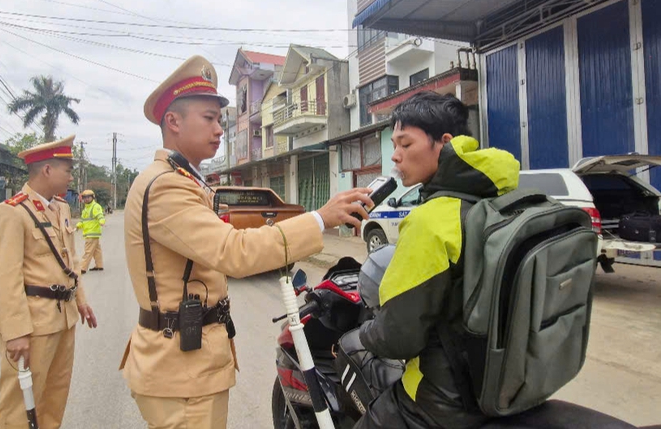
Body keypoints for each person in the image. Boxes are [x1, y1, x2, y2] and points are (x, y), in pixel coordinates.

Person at [121, 55, 375, 429]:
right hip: (179, 371)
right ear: (173, 121)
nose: (219, 129)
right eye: (209, 118)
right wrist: (320, 218)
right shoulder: (167, 186)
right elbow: (235, 252)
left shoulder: (180, 179)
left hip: (186, 363)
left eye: (220, 120)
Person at [354, 91, 520, 429]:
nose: (395, 157)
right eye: (394, 146)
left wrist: (364, 334)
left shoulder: (430, 221)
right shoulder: (499, 199)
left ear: (443, 143)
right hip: (502, 380)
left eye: (405, 144)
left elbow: (397, 338)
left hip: (440, 400)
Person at [0, 136, 98, 429]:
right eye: (67, 170)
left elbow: (71, 262)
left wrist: (81, 301)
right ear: (47, 170)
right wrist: (15, 332)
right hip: (32, 327)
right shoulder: (12, 212)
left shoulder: (60, 208)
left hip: (64, 321)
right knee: (19, 407)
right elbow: (5, 277)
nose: (71, 177)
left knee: (54, 398)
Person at [76, 189, 105, 274]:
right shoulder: (85, 209)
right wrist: (78, 225)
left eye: (88, 197)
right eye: (84, 197)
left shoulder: (95, 206)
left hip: (92, 233)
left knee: (88, 251)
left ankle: (82, 268)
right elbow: (83, 220)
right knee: (96, 250)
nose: (86, 199)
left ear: (93, 197)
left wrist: (101, 221)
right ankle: (99, 266)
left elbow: (100, 215)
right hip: (89, 233)